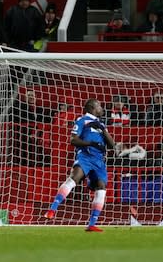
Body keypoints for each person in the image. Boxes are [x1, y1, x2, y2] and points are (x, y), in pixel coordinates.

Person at [44, 98, 115, 232]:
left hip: (99, 160)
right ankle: (52, 210)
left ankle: (92, 224)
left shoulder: (101, 124)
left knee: (102, 187)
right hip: (85, 156)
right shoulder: (82, 121)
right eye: (99, 106)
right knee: (74, 178)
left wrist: (103, 130)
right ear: (92, 108)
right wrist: (90, 144)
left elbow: (112, 145)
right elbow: (73, 140)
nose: (102, 109)